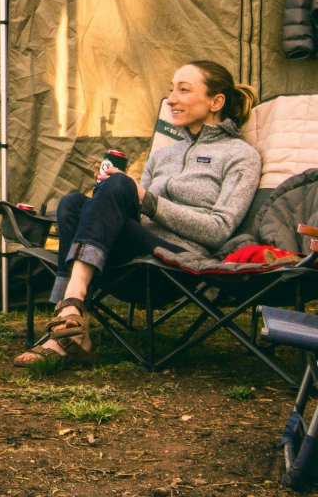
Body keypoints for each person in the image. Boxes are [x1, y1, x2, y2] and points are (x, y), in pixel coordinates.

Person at [16, 60, 261, 367]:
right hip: (131, 263)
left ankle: (68, 313)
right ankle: (72, 323)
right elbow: (138, 216)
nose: (171, 99)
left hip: (178, 266)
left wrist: (145, 199)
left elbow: (219, 229)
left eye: (183, 90)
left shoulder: (242, 156)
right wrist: (108, 198)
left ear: (217, 101)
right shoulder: (163, 155)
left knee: (118, 185)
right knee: (73, 204)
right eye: (171, 89)